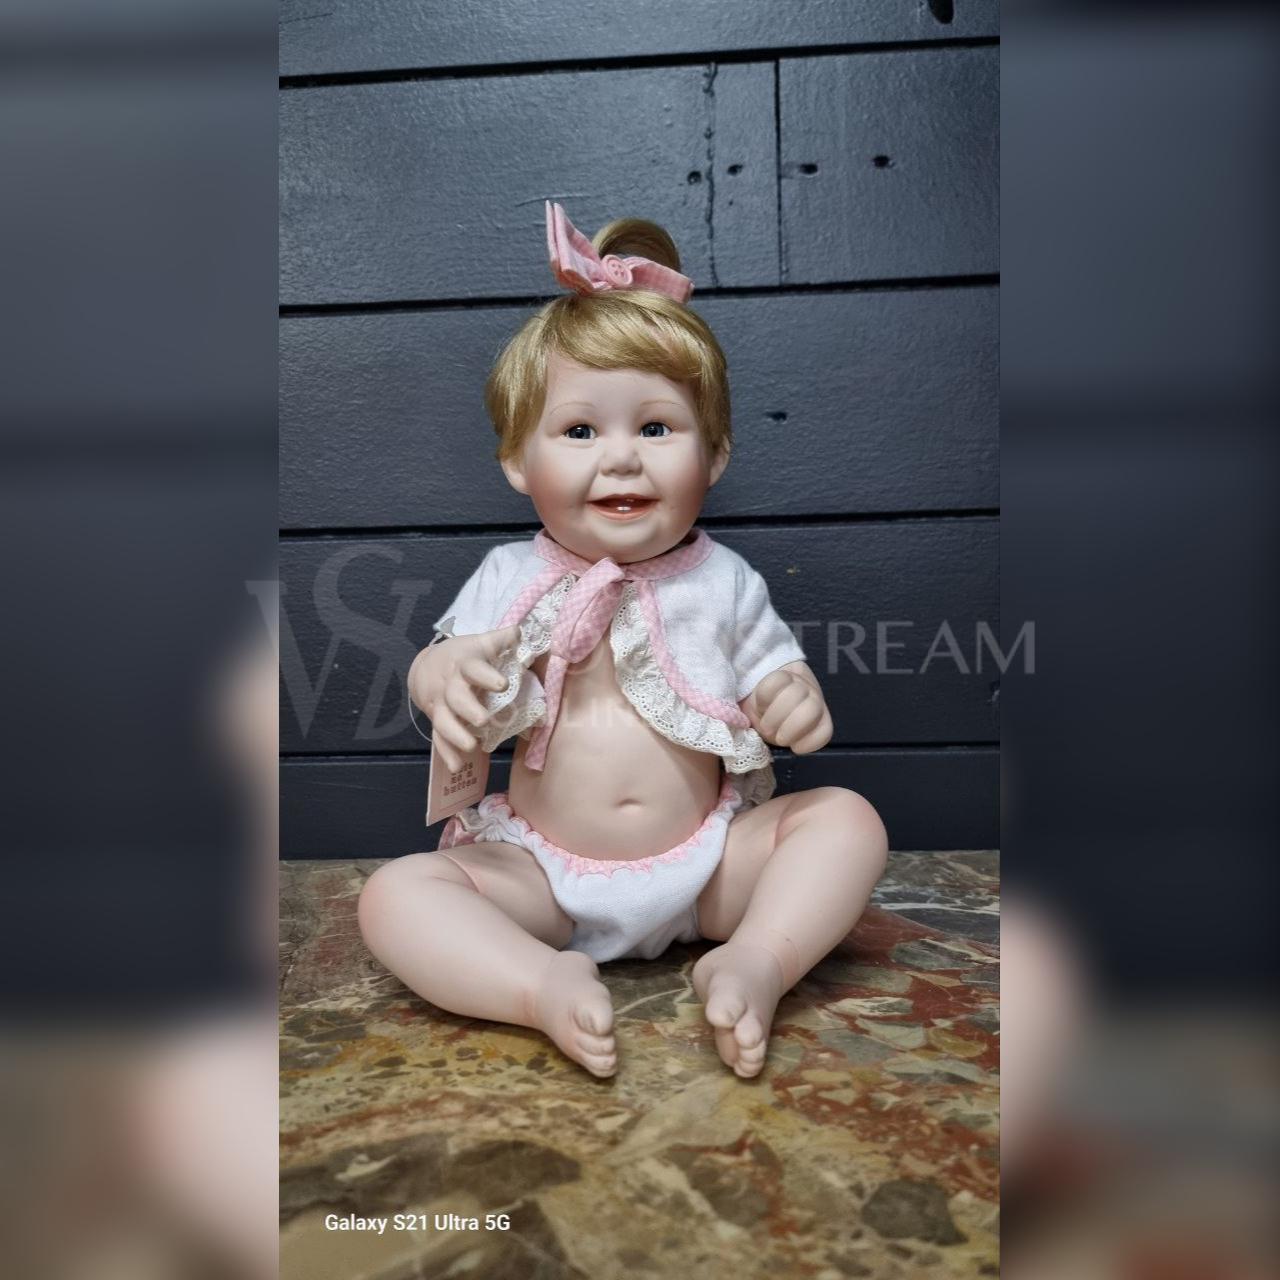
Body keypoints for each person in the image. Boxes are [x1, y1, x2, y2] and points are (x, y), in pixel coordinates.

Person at [358, 203, 886, 1079]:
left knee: (846, 821)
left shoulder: (723, 580)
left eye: (655, 427)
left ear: (713, 455)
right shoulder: (508, 572)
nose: (621, 458)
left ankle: (757, 959)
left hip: (712, 870)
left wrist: (788, 695)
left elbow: (770, 669)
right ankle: (538, 984)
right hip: (543, 880)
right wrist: (439, 673)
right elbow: (440, 659)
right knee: (397, 895)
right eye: (579, 431)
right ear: (517, 461)